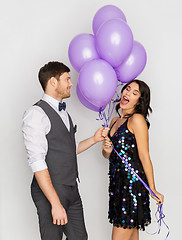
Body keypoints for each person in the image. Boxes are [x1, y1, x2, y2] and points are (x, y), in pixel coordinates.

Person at [22, 61, 105, 240]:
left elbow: (66, 149)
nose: (71, 83)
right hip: (50, 190)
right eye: (67, 79)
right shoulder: (36, 114)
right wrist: (55, 203)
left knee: (80, 237)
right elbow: (37, 161)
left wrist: (94, 139)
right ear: (53, 82)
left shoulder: (64, 113)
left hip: (71, 188)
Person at [102, 79, 164, 240]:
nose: (127, 93)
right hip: (116, 186)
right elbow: (109, 156)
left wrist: (153, 188)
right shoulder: (115, 121)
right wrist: (106, 150)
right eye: (127, 89)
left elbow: (144, 155)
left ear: (139, 101)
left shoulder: (137, 120)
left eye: (134, 93)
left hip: (132, 188)